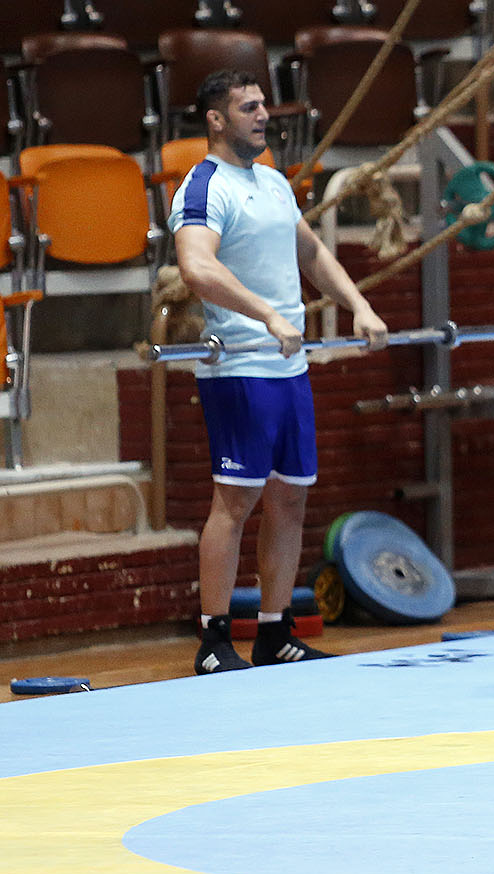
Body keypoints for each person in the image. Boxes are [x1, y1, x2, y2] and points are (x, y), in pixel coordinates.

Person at [171, 69, 388, 675]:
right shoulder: (204, 185)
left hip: (288, 367)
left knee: (290, 497)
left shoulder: (271, 181)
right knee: (235, 501)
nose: (263, 115)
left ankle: (274, 632)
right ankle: (214, 641)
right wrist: (266, 314)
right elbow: (196, 267)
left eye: (264, 105)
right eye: (248, 107)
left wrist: (359, 305)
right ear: (216, 120)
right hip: (239, 367)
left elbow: (311, 252)